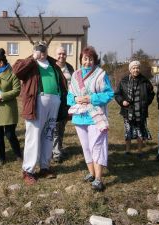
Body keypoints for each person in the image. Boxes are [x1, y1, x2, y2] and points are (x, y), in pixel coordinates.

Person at [12, 41, 68, 185]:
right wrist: (33, 57)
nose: (41, 52)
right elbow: (17, 70)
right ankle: (28, 170)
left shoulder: (53, 65)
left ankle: (45, 166)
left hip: (54, 102)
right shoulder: (30, 63)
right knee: (33, 136)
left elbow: (62, 84)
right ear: (34, 50)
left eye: (43, 49)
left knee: (48, 135)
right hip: (37, 103)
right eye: (39, 49)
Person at [67, 46, 114, 191]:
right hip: (80, 117)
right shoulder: (75, 75)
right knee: (86, 147)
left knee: (97, 147)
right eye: (85, 59)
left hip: (95, 117)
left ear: (94, 60)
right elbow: (69, 96)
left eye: (90, 59)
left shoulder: (101, 74)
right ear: (81, 59)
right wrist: (76, 98)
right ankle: (91, 173)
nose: (87, 62)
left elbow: (109, 94)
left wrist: (91, 98)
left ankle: (99, 179)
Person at [0, 48, 22, 165]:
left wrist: (2, 96)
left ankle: (18, 154)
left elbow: (17, 90)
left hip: (8, 110)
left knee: (10, 134)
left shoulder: (12, 75)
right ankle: (1, 158)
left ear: (1, 63)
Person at [115, 61, 155, 157]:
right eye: (133, 68)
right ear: (130, 70)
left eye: (137, 68)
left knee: (140, 131)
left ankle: (140, 151)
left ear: (139, 69)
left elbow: (151, 94)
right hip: (127, 111)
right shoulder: (124, 81)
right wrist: (122, 101)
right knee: (128, 131)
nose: (135, 70)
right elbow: (117, 94)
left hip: (140, 111)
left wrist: (145, 103)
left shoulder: (145, 81)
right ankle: (127, 150)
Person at [52, 47, 74, 163]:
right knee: (55, 127)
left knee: (62, 126)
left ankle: (58, 148)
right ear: (56, 55)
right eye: (59, 54)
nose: (61, 56)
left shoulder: (70, 68)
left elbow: (73, 83)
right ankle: (55, 152)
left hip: (67, 102)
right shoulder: (52, 67)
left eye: (64, 54)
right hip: (55, 100)